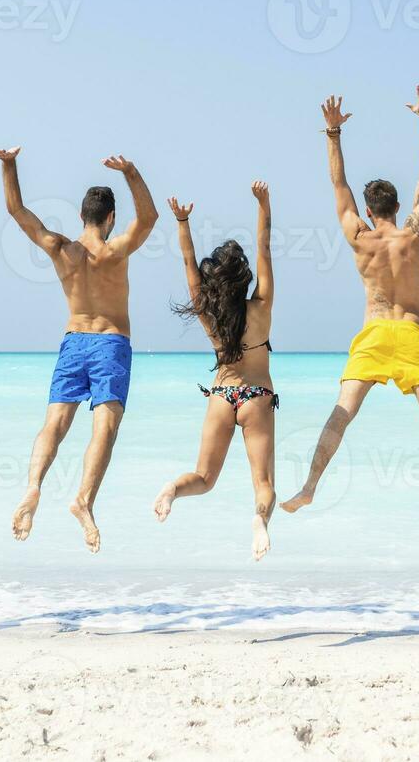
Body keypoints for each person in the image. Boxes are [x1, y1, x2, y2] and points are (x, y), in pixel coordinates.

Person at [281, 86, 419, 537]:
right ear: (396, 207)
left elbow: (338, 184)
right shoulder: (415, 234)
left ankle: (311, 485)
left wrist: (333, 132)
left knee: (342, 411)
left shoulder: (360, 236)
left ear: (371, 212)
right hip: (412, 334)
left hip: (374, 334)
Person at [0, 147, 157, 553]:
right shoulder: (115, 251)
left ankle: (33, 486)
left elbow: (17, 210)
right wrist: (132, 172)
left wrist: (9, 164)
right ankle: (84, 500)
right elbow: (150, 218)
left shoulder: (59, 248)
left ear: (81, 217)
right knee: (105, 425)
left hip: (72, 342)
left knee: (54, 424)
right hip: (111, 342)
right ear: (109, 218)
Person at [153, 182, 278, 560]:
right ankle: (260, 522)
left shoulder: (210, 316)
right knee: (263, 482)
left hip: (222, 396)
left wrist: (182, 222)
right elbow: (265, 249)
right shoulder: (261, 307)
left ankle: (173, 489)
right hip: (256, 396)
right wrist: (263, 205)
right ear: (243, 280)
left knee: (204, 478)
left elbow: (190, 267)